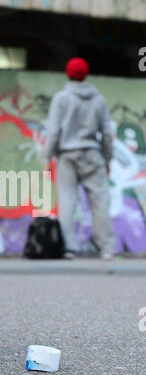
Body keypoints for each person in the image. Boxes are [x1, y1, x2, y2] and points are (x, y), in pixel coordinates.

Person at [45, 57, 114, 260]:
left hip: (67, 156)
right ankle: (107, 249)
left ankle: (69, 249)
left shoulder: (61, 99)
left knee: (67, 200)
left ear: (68, 73)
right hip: (93, 155)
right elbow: (107, 134)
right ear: (86, 75)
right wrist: (108, 159)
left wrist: (46, 157)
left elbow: (53, 132)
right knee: (100, 200)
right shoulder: (98, 100)